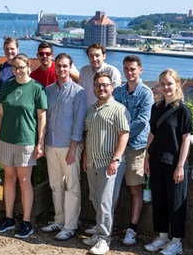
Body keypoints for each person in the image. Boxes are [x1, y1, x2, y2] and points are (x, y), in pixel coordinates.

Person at [0, 53, 47, 238]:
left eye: (21, 67)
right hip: (6, 139)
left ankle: (26, 222)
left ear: (28, 67)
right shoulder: (7, 86)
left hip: (26, 141)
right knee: (8, 178)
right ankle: (8, 219)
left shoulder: (37, 88)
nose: (18, 70)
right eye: (15, 67)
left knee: (24, 182)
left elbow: (42, 117)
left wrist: (40, 143)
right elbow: (0, 114)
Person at [144, 69, 193, 255]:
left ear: (177, 85)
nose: (166, 87)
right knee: (159, 200)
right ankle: (162, 237)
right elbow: (152, 134)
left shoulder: (183, 110)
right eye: (163, 83)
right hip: (156, 160)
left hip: (174, 163)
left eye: (169, 83)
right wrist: (147, 158)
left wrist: (180, 166)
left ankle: (177, 241)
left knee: (176, 202)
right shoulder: (156, 108)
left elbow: (186, 139)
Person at [40, 53, 87, 240]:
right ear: (54, 67)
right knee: (55, 186)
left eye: (65, 66)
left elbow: (79, 122)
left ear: (70, 67)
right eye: (58, 66)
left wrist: (74, 148)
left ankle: (70, 225)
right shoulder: (48, 91)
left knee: (72, 187)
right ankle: (59, 220)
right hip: (51, 145)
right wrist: (42, 144)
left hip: (70, 146)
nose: (62, 69)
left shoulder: (79, 92)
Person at [82, 72, 130, 255]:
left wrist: (116, 159)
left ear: (111, 87)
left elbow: (124, 134)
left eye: (105, 85)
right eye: (98, 85)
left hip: (110, 164)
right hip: (93, 161)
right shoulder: (91, 109)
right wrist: (86, 156)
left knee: (105, 202)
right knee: (95, 199)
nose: (101, 88)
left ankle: (104, 239)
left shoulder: (119, 109)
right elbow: (88, 135)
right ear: (94, 87)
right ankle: (99, 233)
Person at [111, 55, 154, 246]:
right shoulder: (118, 91)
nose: (129, 72)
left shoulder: (146, 94)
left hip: (136, 147)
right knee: (112, 189)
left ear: (140, 70)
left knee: (135, 189)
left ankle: (132, 229)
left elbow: (143, 121)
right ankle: (106, 225)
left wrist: (123, 135)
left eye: (133, 69)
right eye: (126, 69)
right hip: (118, 146)